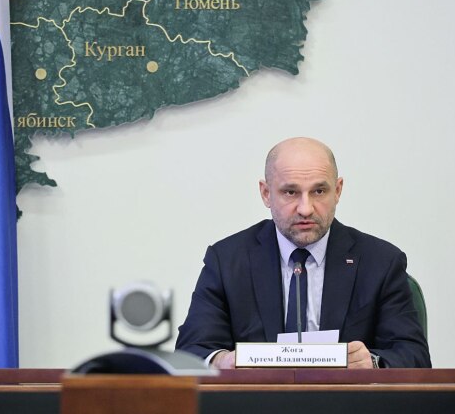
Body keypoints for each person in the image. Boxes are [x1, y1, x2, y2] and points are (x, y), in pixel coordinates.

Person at [175, 137, 431, 369]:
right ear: (266, 193)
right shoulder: (228, 260)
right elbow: (191, 350)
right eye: (290, 192)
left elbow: (414, 356)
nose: (306, 209)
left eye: (319, 191)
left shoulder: (380, 262)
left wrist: (373, 363)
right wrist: (223, 361)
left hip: (345, 401)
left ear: (338, 191)